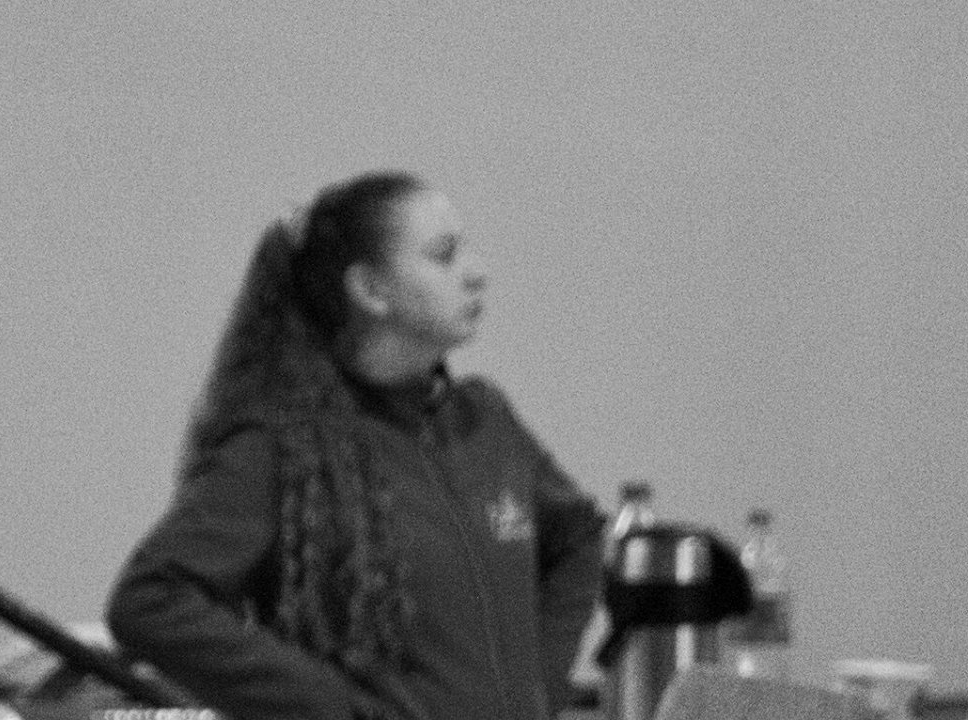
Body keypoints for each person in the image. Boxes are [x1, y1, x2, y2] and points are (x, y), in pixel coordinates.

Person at [105, 171, 606, 720]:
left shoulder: (486, 420)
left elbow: (578, 537)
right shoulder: (283, 445)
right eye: (444, 256)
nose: (477, 273)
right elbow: (151, 600)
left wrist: (539, 686)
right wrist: (328, 707)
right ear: (371, 290)